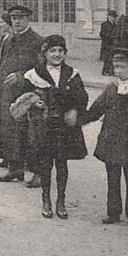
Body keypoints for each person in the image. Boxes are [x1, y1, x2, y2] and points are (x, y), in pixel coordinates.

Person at [82, 47, 128, 227]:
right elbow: (96, 110)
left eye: (122, 67)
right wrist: (78, 119)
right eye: (115, 67)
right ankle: (113, 212)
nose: (118, 71)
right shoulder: (111, 88)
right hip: (112, 142)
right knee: (112, 179)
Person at [17, 35, 88, 219]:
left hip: (64, 127)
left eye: (60, 51)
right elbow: (22, 97)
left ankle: (61, 202)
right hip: (43, 126)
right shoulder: (34, 74)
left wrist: (74, 109)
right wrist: (35, 101)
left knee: (62, 165)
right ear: (45, 53)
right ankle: (46, 200)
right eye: (53, 51)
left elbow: (82, 97)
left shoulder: (72, 74)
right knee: (45, 165)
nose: (57, 55)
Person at [0, 4, 44, 186]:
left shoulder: (38, 41)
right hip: (6, 94)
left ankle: (37, 173)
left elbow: (42, 70)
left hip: (26, 95)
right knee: (10, 133)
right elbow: (1, 67)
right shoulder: (8, 39)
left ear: (28, 19)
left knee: (29, 135)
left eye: (21, 18)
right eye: (14, 18)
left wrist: (21, 77)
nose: (17, 21)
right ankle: (15, 169)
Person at [99, 9, 119, 76]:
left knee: (111, 58)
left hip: (113, 44)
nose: (114, 18)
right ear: (109, 17)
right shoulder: (104, 24)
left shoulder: (115, 24)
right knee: (107, 58)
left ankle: (110, 71)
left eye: (115, 17)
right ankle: (105, 71)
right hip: (107, 44)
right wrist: (109, 36)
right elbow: (101, 34)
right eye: (113, 16)